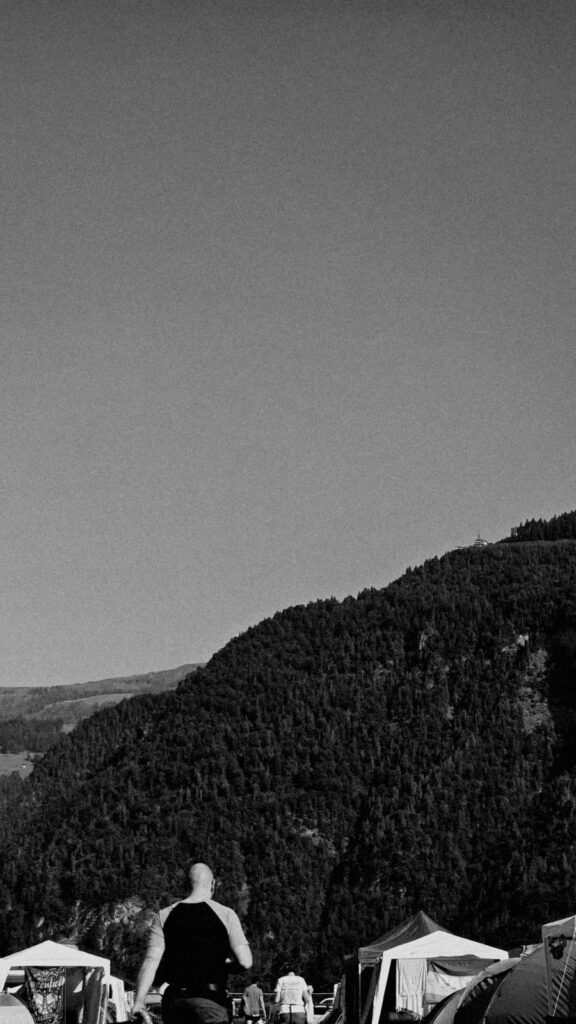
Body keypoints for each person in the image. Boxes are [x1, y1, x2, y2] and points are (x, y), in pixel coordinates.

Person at [131, 862, 253, 1024]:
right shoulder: (226, 914)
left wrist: (139, 1001)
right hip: (211, 1003)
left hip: (175, 1004)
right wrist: (222, 964)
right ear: (213, 884)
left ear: (187, 884)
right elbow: (245, 962)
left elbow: (151, 961)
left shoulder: (164, 915)